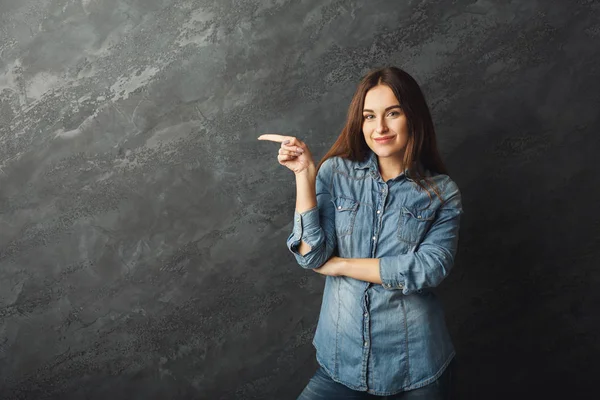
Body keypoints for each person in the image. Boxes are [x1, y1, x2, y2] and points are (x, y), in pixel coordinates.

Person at [258, 66, 463, 399]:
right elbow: (312, 255)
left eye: (392, 113)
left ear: (413, 117)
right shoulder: (336, 173)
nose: (379, 127)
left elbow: (430, 268)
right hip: (342, 362)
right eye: (369, 116)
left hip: (416, 368)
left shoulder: (442, 192)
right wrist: (304, 176)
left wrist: (341, 266)